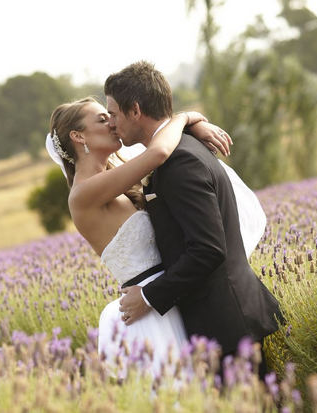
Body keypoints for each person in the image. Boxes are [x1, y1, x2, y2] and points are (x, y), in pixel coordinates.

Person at [104, 61, 284, 380]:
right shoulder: (180, 149)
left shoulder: (180, 163)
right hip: (221, 320)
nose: (111, 124)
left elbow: (208, 249)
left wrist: (149, 296)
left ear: (135, 111)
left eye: (114, 114)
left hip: (225, 321)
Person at [46, 96, 239, 376]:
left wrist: (191, 132)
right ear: (78, 136)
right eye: (102, 119)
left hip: (171, 297)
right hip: (148, 312)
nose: (112, 124)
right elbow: (158, 153)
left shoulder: (116, 180)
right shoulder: (83, 194)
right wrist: (185, 119)